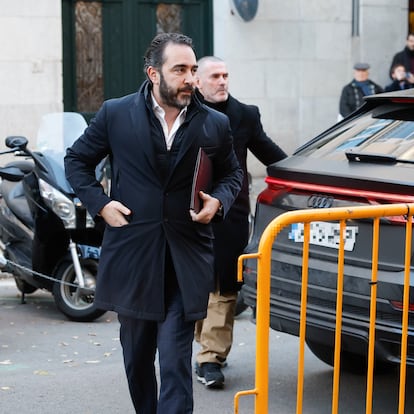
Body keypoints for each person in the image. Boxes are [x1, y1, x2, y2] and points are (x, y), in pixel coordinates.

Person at [64, 33, 243, 414]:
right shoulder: (115, 113)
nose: (190, 79)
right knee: (137, 360)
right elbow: (76, 161)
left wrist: (220, 201)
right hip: (133, 255)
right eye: (180, 70)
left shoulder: (214, 123)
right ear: (153, 73)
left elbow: (232, 174)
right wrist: (101, 204)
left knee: (175, 360)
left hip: (186, 256)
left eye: (193, 69)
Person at [193, 56, 287, 389]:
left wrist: (303, 171)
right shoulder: (181, 113)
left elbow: (271, 154)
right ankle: (205, 342)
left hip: (230, 215)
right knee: (195, 283)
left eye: (226, 75)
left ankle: (210, 358)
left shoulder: (245, 115)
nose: (222, 81)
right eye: (215, 76)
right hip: (187, 216)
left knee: (224, 285)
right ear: (198, 81)